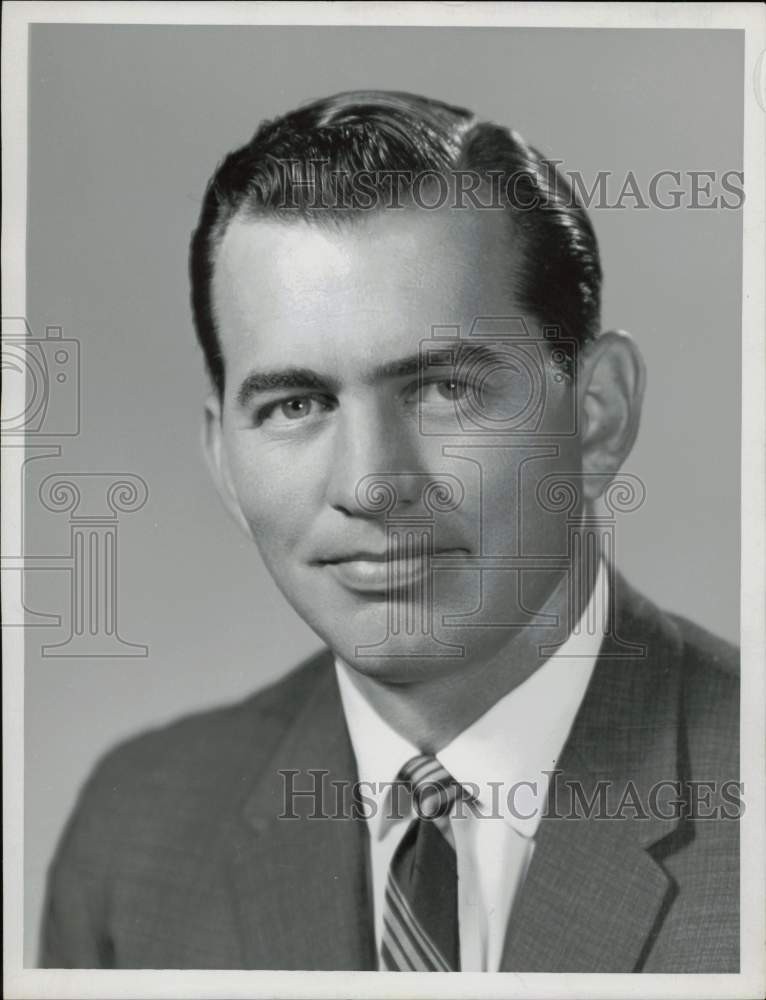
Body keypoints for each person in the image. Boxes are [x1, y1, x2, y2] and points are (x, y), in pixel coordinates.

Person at [41, 90, 739, 973]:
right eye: (298, 404)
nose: (371, 483)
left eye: (444, 388)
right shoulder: (135, 834)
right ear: (223, 458)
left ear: (597, 415)